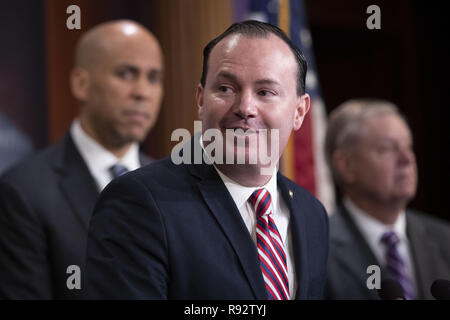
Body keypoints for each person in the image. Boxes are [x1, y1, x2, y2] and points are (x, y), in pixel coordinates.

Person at [86, 20, 329, 300]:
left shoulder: (312, 214)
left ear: (299, 111)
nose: (245, 108)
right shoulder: (138, 202)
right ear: (201, 100)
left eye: (265, 92)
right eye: (225, 88)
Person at [0, 20, 164, 299]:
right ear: (81, 83)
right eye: (126, 74)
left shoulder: (173, 187)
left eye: (153, 78)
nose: (142, 92)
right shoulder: (23, 192)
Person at [324, 99, 450, 300]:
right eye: (386, 149)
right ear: (346, 165)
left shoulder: (445, 239)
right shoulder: (318, 250)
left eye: (409, 146)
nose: (407, 159)